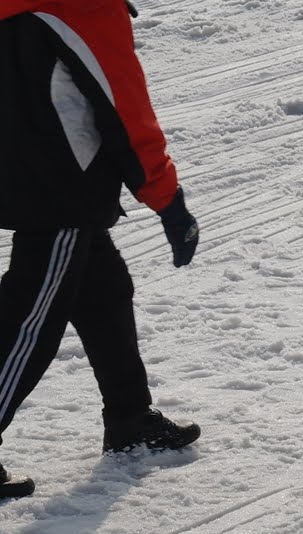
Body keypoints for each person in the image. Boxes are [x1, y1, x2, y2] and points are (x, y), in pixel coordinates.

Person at [0, 0, 203, 500]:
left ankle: (130, 416)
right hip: (60, 188)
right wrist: (166, 198)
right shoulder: (82, 7)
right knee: (30, 317)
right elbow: (125, 110)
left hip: (34, 173)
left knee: (105, 290)